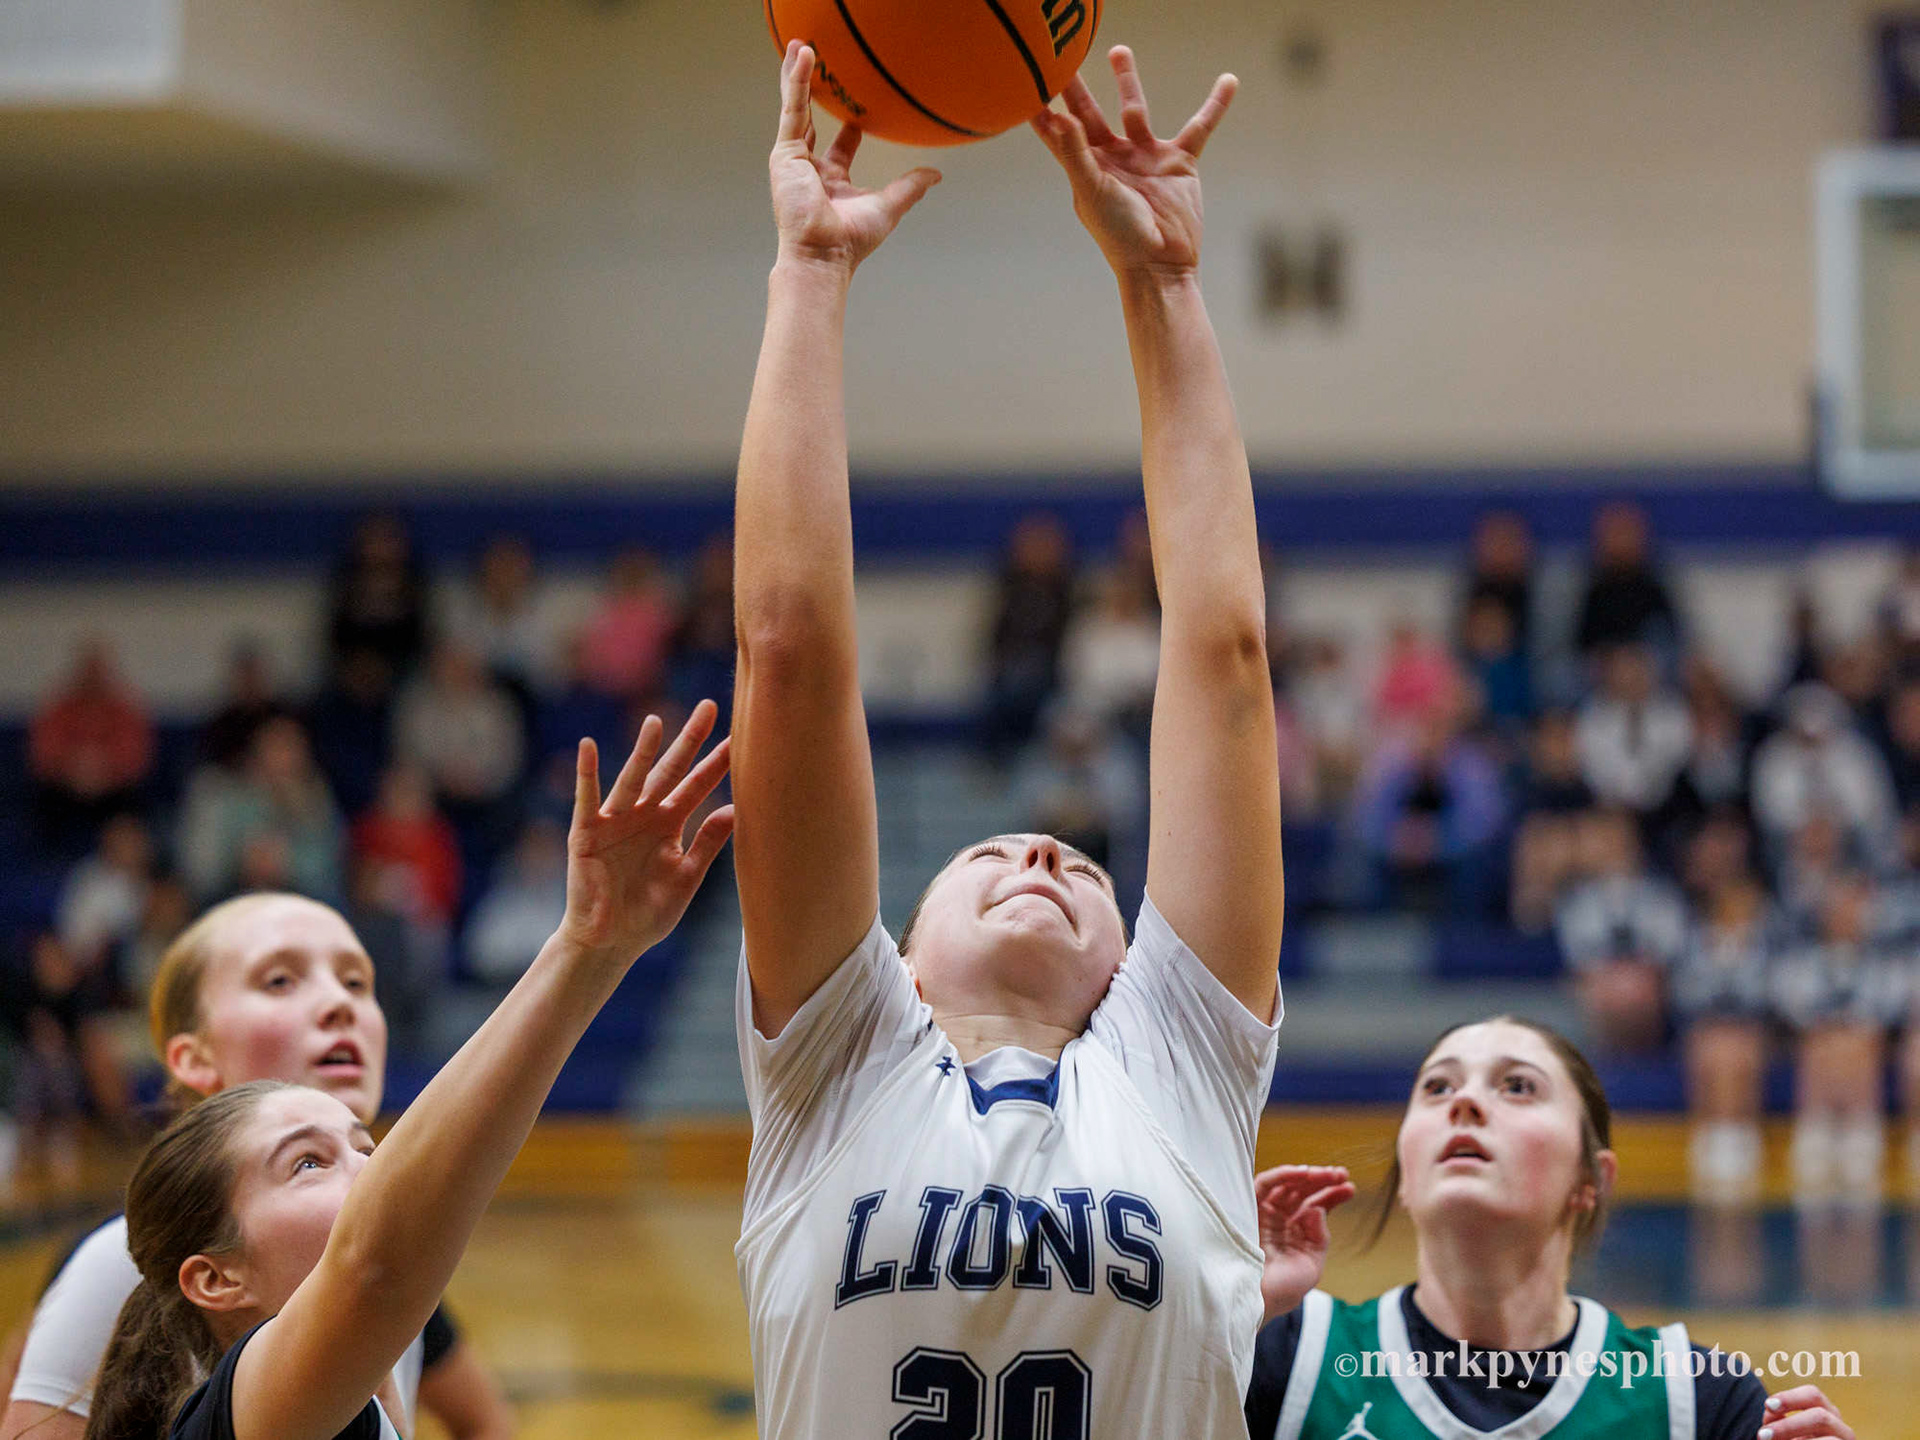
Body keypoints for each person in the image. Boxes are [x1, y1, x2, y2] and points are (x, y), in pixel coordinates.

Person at [731, 43, 1283, 1437]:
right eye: (995, 853)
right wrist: (807, 280)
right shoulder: (841, 1055)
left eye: (1087, 875)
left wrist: (1163, 287)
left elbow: (1222, 657)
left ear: (1131, 970)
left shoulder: (1179, 1060)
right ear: (895, 956)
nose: (1046, 849)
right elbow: (787, 654)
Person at [76, 702, 732, 1440]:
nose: (370, 1167)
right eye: (307, 1164)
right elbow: (375, 1261)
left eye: (365, 1146)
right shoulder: (240, 1398)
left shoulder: (361, 1379)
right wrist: (588, 950)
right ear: (216, 1278)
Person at [2, 847, 638, 1438]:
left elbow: (486, 1421)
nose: (339, 1003)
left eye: (357, 983)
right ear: (194, 1059)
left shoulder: (394, 1264)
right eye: (280, 981)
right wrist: (585, 950)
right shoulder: (119, 1263)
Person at [1244, 1017, 1860, 1440]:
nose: (1465, 1103)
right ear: (1406, 1172)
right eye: (1437, 1087)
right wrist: (1225, 1319)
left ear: (1590, 1180)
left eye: (1518, 1086)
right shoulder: (1288, 1357)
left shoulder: (1696, 1399)